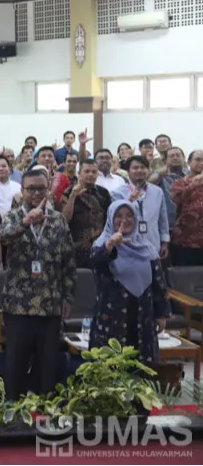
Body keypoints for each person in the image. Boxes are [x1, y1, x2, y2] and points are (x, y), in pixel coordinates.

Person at [0, 169, 75, 399]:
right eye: (31, 189)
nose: (36, 193)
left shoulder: (58, 220)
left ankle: (44, 408)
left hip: (50, 303)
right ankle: (13, 407)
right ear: (22, 191)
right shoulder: (13, 216)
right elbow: (3, 238)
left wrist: (68, 296)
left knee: (47, 364)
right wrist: (26, 222)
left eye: (41, 188)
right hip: (18, 304)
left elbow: (68, 260)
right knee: (16, 363)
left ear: (48, 190)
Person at [88, 202, 170, 366]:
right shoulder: (101, 246)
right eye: (118, 216)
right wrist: (109, 246)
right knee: (109, 370)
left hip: (143, 318)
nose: (124, 220)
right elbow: (96, 263)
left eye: (129, 215)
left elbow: (158, 283)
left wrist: (161, 314)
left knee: (142, 370)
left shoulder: (147, 248)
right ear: (111, 219)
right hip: (111, 319)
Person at [110, 155, 169, 260]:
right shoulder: (118, 193)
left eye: (143, 167)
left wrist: (164, 242)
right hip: (128, 246)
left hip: (153, 244)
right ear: (128, 171)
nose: (139, 170)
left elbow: (163, 219)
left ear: (149, 170)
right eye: (135, 168)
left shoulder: (157, 191)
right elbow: (115, 219)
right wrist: (129, 201)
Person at [61, 159, 111, 268]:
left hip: (100, 247)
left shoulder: (103, 193)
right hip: (76, 248)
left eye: (94, 172)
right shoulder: (68, 192)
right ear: (79, 173)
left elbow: (109, 220)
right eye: (87, 171)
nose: (90, 174)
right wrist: (73, 197)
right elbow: (64, 219)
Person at [170, 150, 203, 266]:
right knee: (184, 275)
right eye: (198, 160)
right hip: (185, 241)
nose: (202, 163)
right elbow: (177, 199)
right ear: (188, 163)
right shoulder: (179, 183)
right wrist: (194, 184)